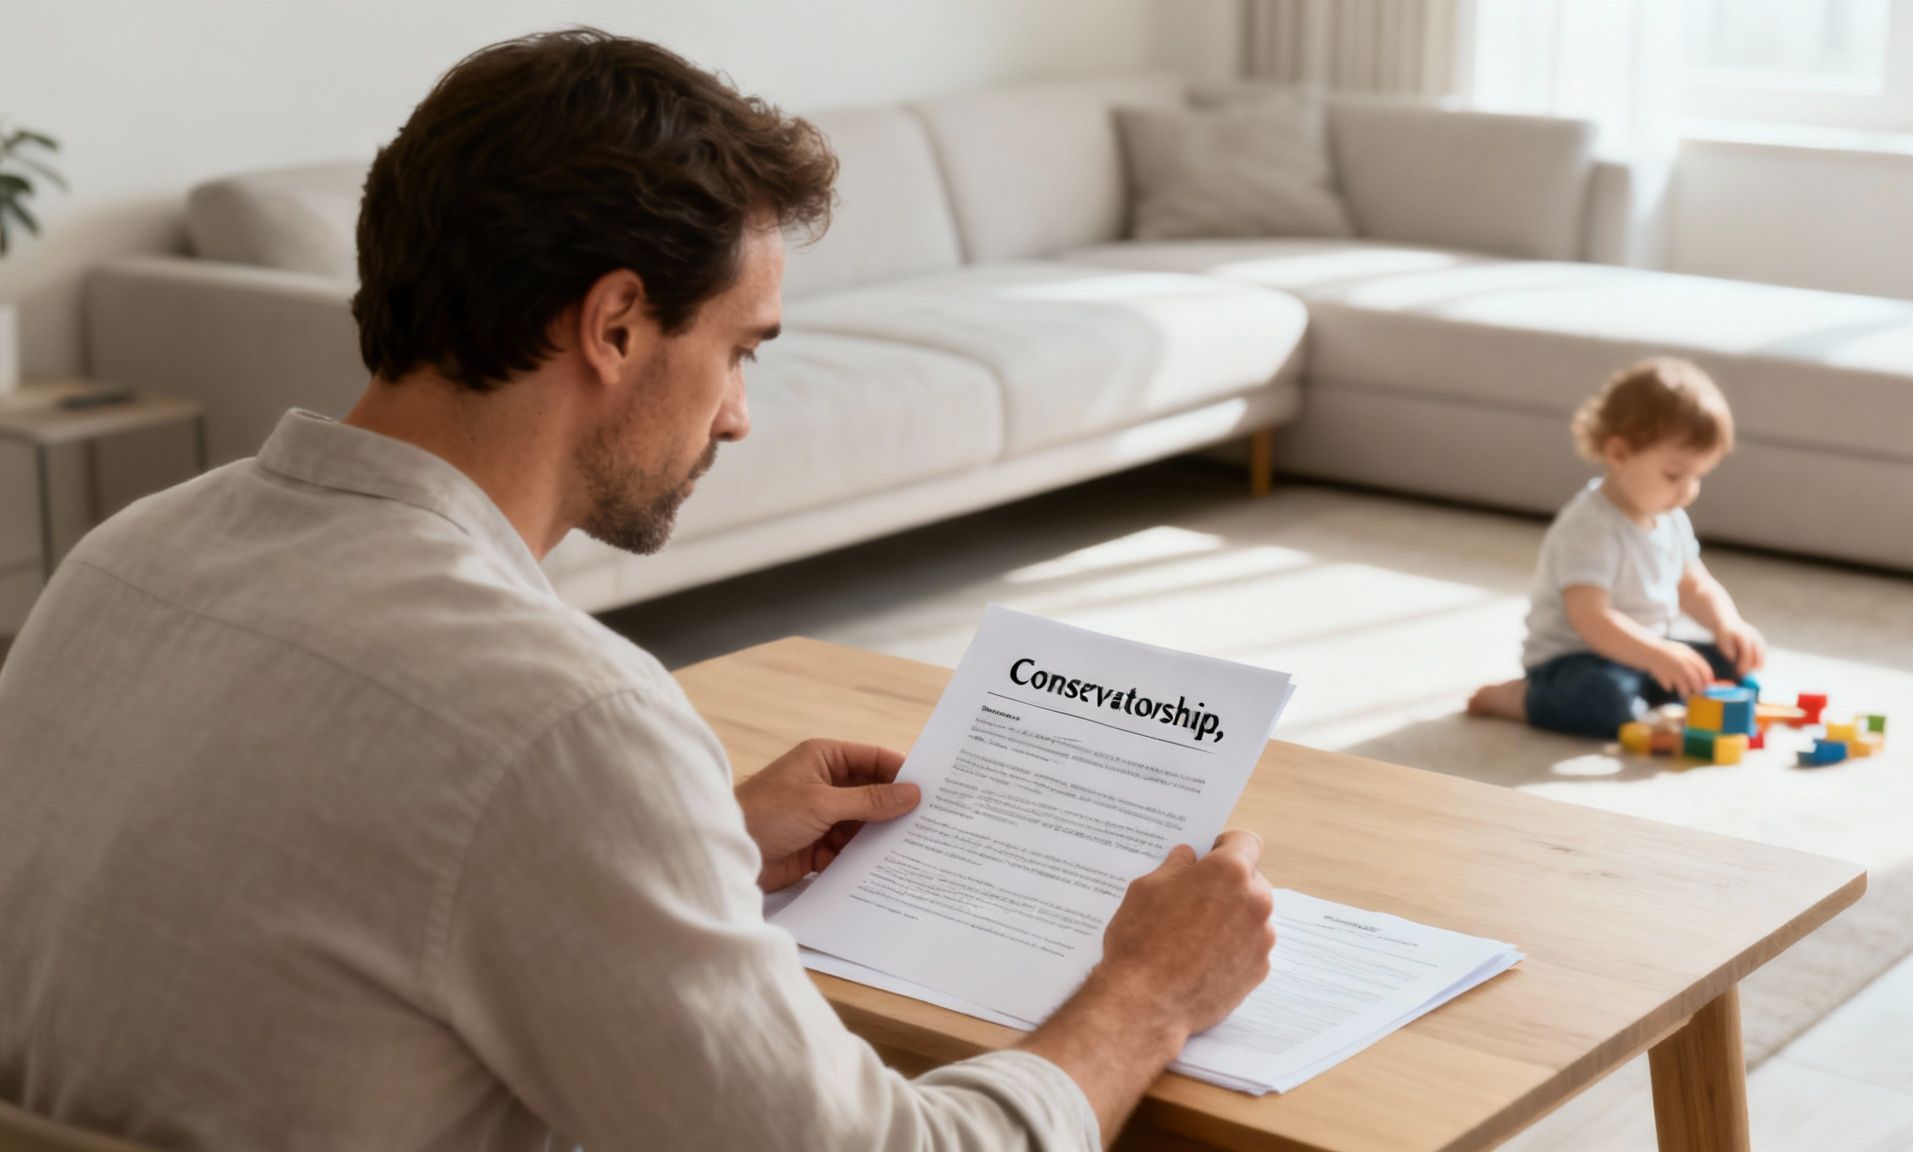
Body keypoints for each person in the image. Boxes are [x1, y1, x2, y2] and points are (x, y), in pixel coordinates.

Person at [0, 30, 1275, 1152]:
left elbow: (338, 872)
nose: (737, 419)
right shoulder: (560, 722)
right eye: (737, 351)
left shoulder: (123, 559)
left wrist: (692, 839)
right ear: (613, 325)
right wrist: (1149, 993)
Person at [1467, 357, 1767, 737]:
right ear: (1619, 454)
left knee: (1730, 667)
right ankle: (1518, 697)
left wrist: (1728, 624)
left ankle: (1648, 693)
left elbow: (1694, 585)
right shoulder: (1590, 529)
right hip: (1576, 660)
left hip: (1643, 650)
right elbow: (1591, 619)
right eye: (1675, 474)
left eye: (1697, 476)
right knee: (1604, 703)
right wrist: (1658, 655)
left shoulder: (1669, 516)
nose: (1688, 491)